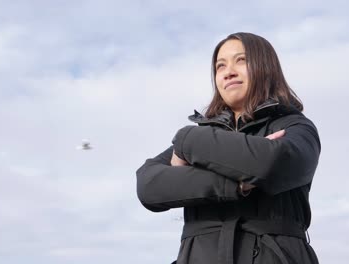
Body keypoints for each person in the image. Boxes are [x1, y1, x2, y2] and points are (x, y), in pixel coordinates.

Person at [136, 32, 321, 264]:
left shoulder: (295, 125)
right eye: (220, 66)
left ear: (266, 66)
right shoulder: (198, 136)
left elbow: (272, 162)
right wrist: (237, 183)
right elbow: (149, 185)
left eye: (241, 60)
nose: (228, 72)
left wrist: (187, 142)